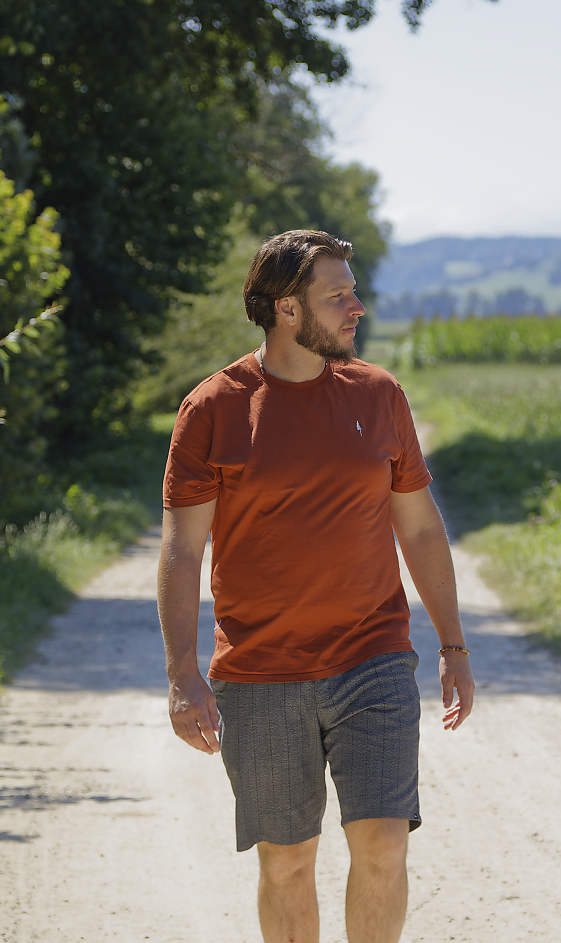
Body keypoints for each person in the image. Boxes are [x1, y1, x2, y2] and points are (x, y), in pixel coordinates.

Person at [157, 229, 474, 943]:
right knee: (288, 861)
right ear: (286, 309)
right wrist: (182, 672)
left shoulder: (380, 394)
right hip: (261, 673)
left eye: (352, 291)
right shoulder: (212, 409)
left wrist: (454, 646)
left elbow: (420, 529)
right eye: (338, 295)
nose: (356, 306)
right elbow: (182, 548)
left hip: (375, 660)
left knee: (385, 847)